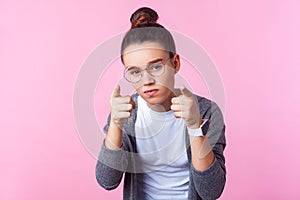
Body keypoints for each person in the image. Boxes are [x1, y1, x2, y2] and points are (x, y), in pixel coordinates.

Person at [95, 7, 226, 200]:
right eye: (135, 72)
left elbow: (211, 191)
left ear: (175, 63)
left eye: (156, 67)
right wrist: (115, 125)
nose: (146, 80)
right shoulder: (127, 114)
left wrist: (194, 127)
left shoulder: (207, 112)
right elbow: (107, 181)